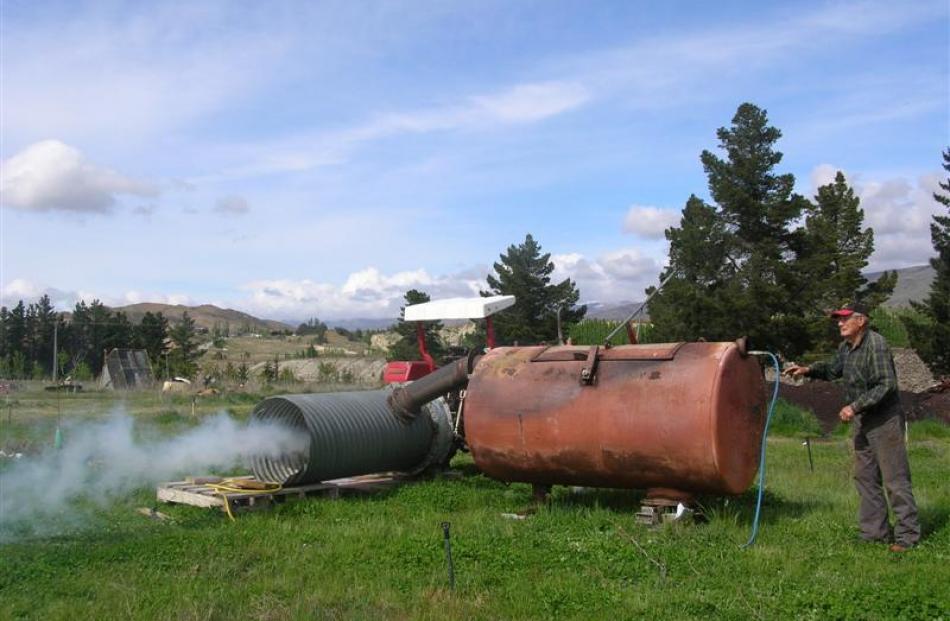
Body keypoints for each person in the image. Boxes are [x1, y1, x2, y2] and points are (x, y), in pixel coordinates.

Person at [785, 301, 920, 552]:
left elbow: (886, 385)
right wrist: (807, 370)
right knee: (865, 476)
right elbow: (833, 368)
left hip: (884, 419)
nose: (840, 323)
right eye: (838, 319)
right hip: (863, 420)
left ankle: (907, 537)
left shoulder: (876, 345)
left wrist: (854, 406)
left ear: (861, 320)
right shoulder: (846, 347)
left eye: (845, 318)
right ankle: (874, 533)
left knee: (894, 478)